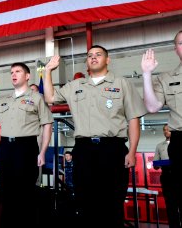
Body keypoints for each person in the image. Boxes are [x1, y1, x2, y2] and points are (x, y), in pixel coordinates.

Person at [44, 45, 146, 228]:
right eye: (90, 55)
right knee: (85, 201)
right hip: (84, 150)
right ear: (87, 62)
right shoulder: (75, 86)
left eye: (98, 55)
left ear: (107, 60)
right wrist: (48, 71)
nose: (93, 57)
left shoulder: (121, 84)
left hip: (112, 149)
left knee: (112, 202)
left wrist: (132, 151)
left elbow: (133, 119)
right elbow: (50, 98)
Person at [0, 62, 53, 227]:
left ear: (27, 76)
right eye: (11, 72)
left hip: (26, 148)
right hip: (6, 148)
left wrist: (42, 151)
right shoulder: (4, 101)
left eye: (18, 71)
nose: (13, 74)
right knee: (6, 193)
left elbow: (47, 124)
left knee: (25, 194)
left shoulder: (37, 98)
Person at [142, 32, 182, 228]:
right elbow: (151, 107)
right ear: (176, 49)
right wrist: (147, 74)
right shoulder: (167, 79)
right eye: (181, 43)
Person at [154, 125, 180, 228]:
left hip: (178, 176)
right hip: (166, 177)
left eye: (168, 129)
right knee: (170, 205)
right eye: (164, 130)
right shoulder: (159, 146)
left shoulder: (178, 144)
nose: (166, 131)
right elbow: (156, 164)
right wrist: (159, 164)